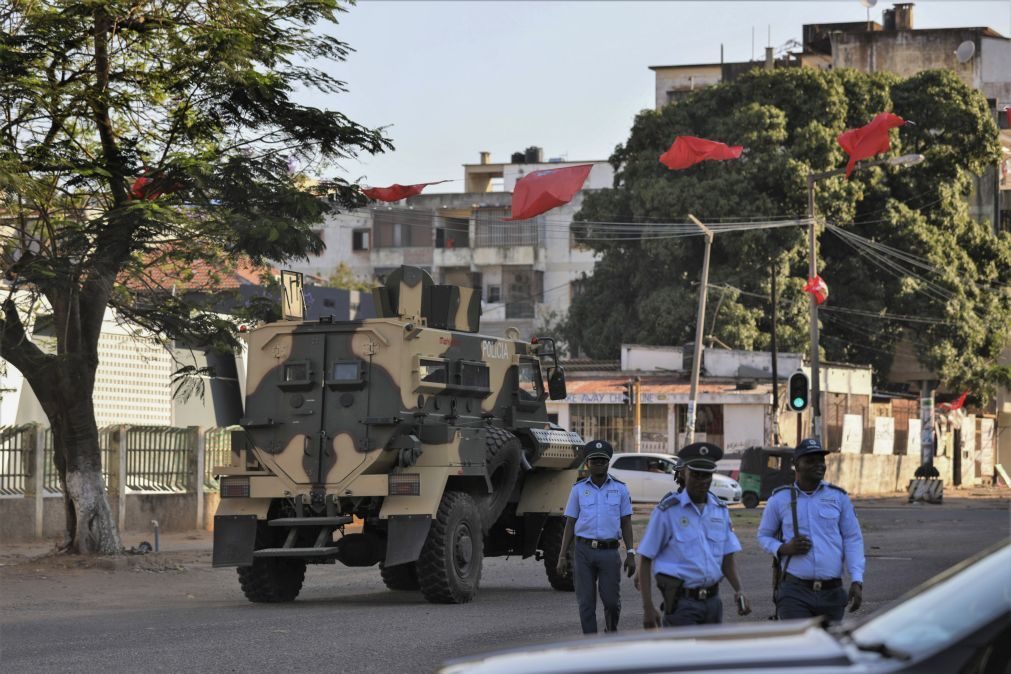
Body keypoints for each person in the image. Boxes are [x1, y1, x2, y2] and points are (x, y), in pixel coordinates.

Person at [638, 442, 751, 628]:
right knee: (683, 657)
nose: (701, 480)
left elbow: (727, 558)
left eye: (706, 475)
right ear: (684, 473)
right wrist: (648, 607)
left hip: (713, 603)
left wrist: (739, 589)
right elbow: (646, 558)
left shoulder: (720, 511)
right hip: (681, 604)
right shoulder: (667, 512)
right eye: (696, 474)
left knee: (711, 657)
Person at [757, 438, 865, 623]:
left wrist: (857, 580)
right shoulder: (780, 499)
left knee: (829, 648)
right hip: (795, 592)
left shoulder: (838, 497)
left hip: (832, 592)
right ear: (796, 465)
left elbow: (852, 538)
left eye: (821, 461)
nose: (819, 465)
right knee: (799, 648)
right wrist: (784, 548)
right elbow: (763, 536)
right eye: (811, 461)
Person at [556, 439, 635, 634]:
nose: (598, 464)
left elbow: (626, 522)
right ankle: (590, 642)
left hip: (609, 552)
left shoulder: (620, 489)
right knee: (586, 602)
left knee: (611, 601)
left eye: (602, 460)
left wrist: (631, 552)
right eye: (594, 460)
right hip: (583, 551)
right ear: (587, 463)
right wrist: (562, 555)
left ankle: (611, 632)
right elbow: (570, 523)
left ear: (608, 462)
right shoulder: (578, 490)